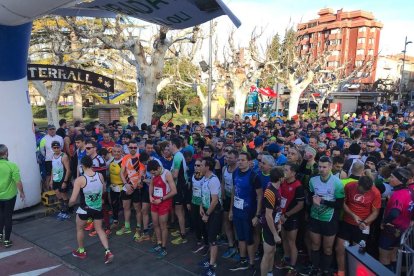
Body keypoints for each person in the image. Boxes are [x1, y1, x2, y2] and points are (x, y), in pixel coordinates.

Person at [69, 155, 114, 264]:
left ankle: (81, 251)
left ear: (82, 166)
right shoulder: (100, 176)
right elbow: (103, 190)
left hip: (85, 209)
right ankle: (108, 251)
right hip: (98, 207)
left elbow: (73, 199)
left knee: (79, 229)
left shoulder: (80, 179)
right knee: (99, 229)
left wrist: (69, 206)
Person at [335, 176, 381, 276]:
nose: (363, 193)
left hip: (362, 226)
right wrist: (353, 215)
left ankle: (354, 273)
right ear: (358, 184)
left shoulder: (375, 192)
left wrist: (365, 222)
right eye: (362, 191)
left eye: (366, 192)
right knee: (339, 248)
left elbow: (375, 212)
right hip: (347, 222)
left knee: (358, 253)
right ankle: (341, 272)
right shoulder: (349, 186)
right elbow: (343, 203)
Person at [308, 156, 344, 276]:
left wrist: (323, 202)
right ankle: (314, 267)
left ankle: (325, 270)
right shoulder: (313, 180)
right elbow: (310, 196)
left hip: (329, 219)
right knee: (315, 245)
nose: (321, 169)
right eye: (320, 166)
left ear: (330, 167)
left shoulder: (337, 183)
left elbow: (339, 204)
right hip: (315, 217)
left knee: (327, 248)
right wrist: (312, 200)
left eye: (324, 167)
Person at [229, 151, 262, 273]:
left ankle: (252, 263)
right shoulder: (235, 173)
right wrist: (231, 210)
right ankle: (243, 260)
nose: (240, 162)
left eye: (243, 160)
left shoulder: (254, 176)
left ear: (249, 162)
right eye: (239, 160)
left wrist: (257, 215)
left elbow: (260, 197)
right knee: (240, 237)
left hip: (249, 212)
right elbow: (234, 191)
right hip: (237, 211)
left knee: (249, 238)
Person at [379, 168, 414, 272]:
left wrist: (384, 222)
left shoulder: (399, 194)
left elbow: (395, 213)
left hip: (391, 230)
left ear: (401, 180)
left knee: (384, 257)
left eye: (392, 177)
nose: (390, 179)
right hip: (403, 230)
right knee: (393, 256)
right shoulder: (410, 191)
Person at [117, 141, 147, 241]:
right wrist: (126, 184)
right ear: (128, 148)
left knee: (137, 208)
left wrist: (133, 187)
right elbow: (121, 173)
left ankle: (138, 228)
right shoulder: (125, 157)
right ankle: (127, 227)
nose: (133, 149)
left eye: (135, 147)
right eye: (131, 147)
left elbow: (142, 174)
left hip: (136, 188)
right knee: (126, 206)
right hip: (127, 186)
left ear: (137, 148)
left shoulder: (140, 158)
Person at [148, 160, 177, 259]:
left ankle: (164, 248)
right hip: (155, 201)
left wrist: (161, 199)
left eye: (154, 173)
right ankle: (159, 243)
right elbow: (151, 185)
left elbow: (174, 191)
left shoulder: (167, 174)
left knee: (163, 225)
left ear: (158, 168)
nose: (153, 175)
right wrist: (150, 196)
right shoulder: (153, 174)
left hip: (164, 202)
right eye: (152, 173)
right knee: (155, 223)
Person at [199, 157, 222, 276]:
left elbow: (215, 201)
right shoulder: (204, 178)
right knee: (208, 237)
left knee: (212, 239)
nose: (199, 167)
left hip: (214, 213)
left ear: (207, 167)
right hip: (207, 210)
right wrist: (201, 207)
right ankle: (209, 260)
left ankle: (213, 265)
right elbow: (204, 195)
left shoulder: (213, 180)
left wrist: (207, 214)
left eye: (201, 165)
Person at [279, 162, 304, 273]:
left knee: (291, 242)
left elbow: (300, 205)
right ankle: (286, 258)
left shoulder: (298, 186)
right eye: (284, 169)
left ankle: (292, 267)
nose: (284, 172)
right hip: (282, 216)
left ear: (293, 173)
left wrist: (287, 215)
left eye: (286, 170)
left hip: (292, 217)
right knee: (284, 238)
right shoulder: (282, 182)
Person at [260, 167, 284, 276]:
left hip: (274, 225)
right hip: (268, 227)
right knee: (267, 253)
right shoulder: (270, 192)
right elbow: (268, 215)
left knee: (272, 251)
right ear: (280, 178)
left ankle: (270, 272)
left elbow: (277, 210)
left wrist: (278, 223)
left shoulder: (276, 188)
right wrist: (275, 234)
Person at [0, 144, 25, 248]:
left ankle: (0, 235)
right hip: (9, 196)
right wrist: (22, 192)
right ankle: (6, 241)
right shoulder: (12, 165)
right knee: (8, 217)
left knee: (0, 215)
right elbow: (18, 181)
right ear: (6, 153)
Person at [169, 137, 189, 245]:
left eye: (169, 144)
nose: (168, 146)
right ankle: (182, 230)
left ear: (173, 145)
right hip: (181, 186)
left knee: (179, 211)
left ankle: (183, 235)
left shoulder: (177, 156)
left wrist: (166, 175)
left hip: (179, 187)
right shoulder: (178, 155)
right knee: (180, 211)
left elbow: (175, 175)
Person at [221, 149, 238, 259]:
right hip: (226, 198)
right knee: (226, 221)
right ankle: (231, 245)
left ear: (236, 159)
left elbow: (235, 188)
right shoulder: (224, 168)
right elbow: (222, 182)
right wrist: (222, 195)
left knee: (235, 224)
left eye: (230, 158)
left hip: (236, 199)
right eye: (226, 157)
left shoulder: (238, 170)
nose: (227, 159)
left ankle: (238, 246)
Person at [49, 141, 71, 220]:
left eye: (58, 147)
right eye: (54, 148)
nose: (56, 149)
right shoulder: (53, 156)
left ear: (60, 147)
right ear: (52, 148)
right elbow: (53, 168)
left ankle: (67, 211)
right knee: (57, 193)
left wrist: (65, 181)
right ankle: (63, 210)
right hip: (55, 178)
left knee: (63, 194)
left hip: (62, 178)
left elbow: (68, 170)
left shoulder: (63, 156)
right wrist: (51, 180)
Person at [108, 144, 124, 228]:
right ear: (112, 152)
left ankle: (126, 222)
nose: (117, 153)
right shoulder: (111, 160)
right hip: (113, 186)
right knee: (114, 204)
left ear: (121, 152)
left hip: (122, 187)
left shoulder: (124, 161)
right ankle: (115, 221)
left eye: (119, 151)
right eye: (115, 151)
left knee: (124, 205)